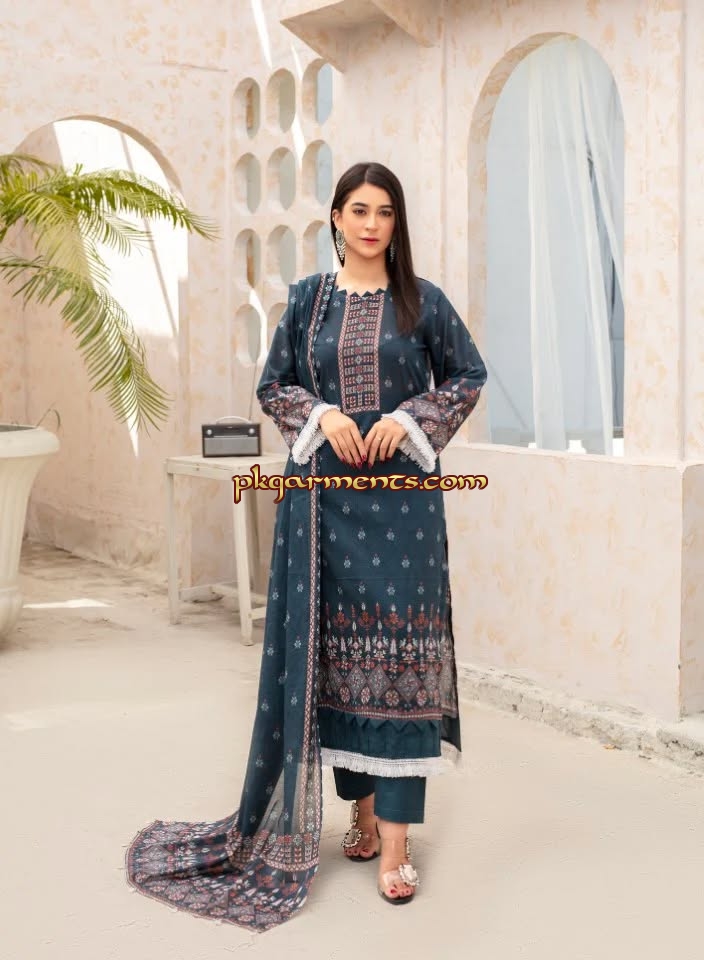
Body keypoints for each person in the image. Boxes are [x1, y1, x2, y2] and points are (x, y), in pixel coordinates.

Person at [126, 162, 487, 930]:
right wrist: (323, 416)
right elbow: (275, 385)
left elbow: (467, 375)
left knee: (402, 662)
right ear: (336, 218)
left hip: (403, 508)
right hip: (323, 504)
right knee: (336, 659)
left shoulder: (423, 302)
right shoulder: (308, 301)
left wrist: (410, 420)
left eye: (385, 212)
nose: (372, 224)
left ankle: (396, 844)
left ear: (396, 224)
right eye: (359, 210)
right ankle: (362, 810)